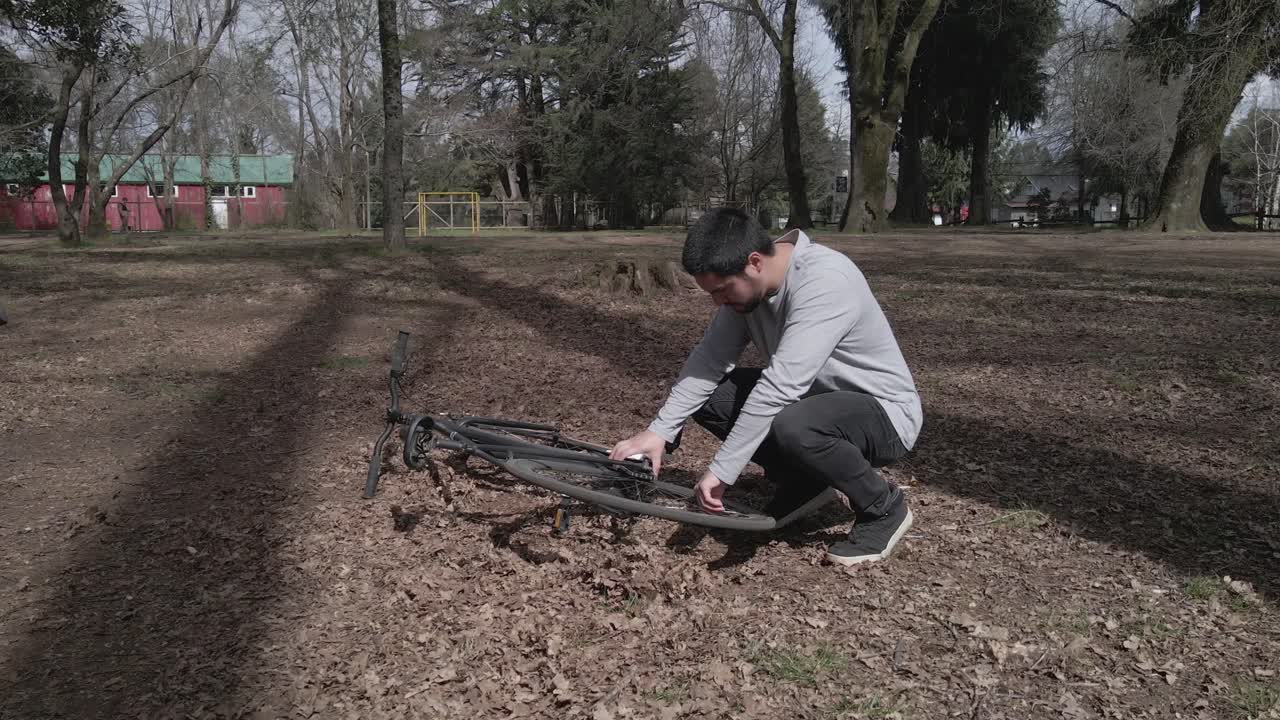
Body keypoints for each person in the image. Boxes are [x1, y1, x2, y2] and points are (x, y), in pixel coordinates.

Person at [610, 208, 923, 565]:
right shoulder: (749, 291)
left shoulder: (826, 281)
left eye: (723, 290)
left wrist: (722, 471)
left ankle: (883, 507)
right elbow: (708, 361)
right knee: (711, 395)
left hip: (884, 413)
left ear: (754, 262)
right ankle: (807, 482)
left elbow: (779, 388)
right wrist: (660, 431)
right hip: (811, 403)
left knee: (795, 424)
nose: (718, 302)